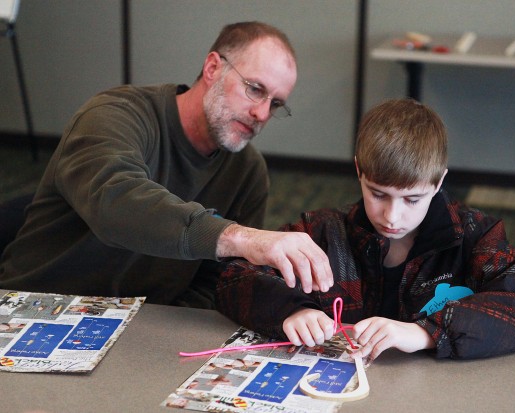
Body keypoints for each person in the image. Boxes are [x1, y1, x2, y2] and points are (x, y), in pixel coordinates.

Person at [0, 21, 333, 307]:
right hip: (37, 307)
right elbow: (115, 203)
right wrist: (241, 237)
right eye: (254, 89)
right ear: (213, 67)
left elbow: (218, 282)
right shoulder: (114, 114)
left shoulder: (247, 172)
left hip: (138, 330)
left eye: (275, 103)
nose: (262, 113)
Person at [215, 99, 515, 360]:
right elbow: (233, 278)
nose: (392, 216)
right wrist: (291, 309)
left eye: (412, 199)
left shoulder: (473, 236)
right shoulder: (322, 232)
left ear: (438, 183)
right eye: (378, 194)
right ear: (359, 171)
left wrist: (425, 333)